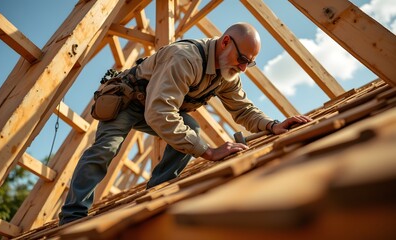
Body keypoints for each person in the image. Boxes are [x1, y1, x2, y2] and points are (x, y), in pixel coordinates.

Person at [58, 22, 312, 225]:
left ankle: (158, 190)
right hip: (127, 102)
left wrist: (272, 125)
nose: (243, 68)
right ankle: (72, 215)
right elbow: (159, 112)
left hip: (156, 105)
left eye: (250, 63)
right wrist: (207, 151)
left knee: (192, 129)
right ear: (225, 42)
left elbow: (243, 109)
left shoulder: (228, 73)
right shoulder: (185, 58)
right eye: (243, 59)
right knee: (105, 149)